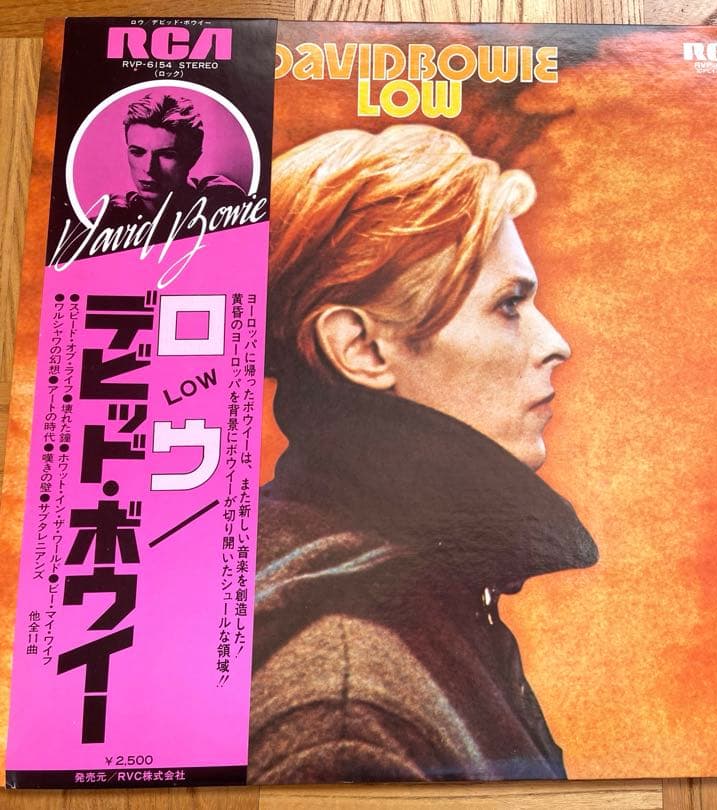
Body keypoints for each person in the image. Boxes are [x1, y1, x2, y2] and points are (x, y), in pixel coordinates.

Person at [248, 125, 598, 784]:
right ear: (361, 349)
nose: (556, 344)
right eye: (509, 305)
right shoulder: (342, 719)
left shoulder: (413, 591)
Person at [98, 90, 247, 227]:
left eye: (167, 155)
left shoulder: (221, 201)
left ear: (193, 158)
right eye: (137, 152)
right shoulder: (118, 213)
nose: (149, 168)